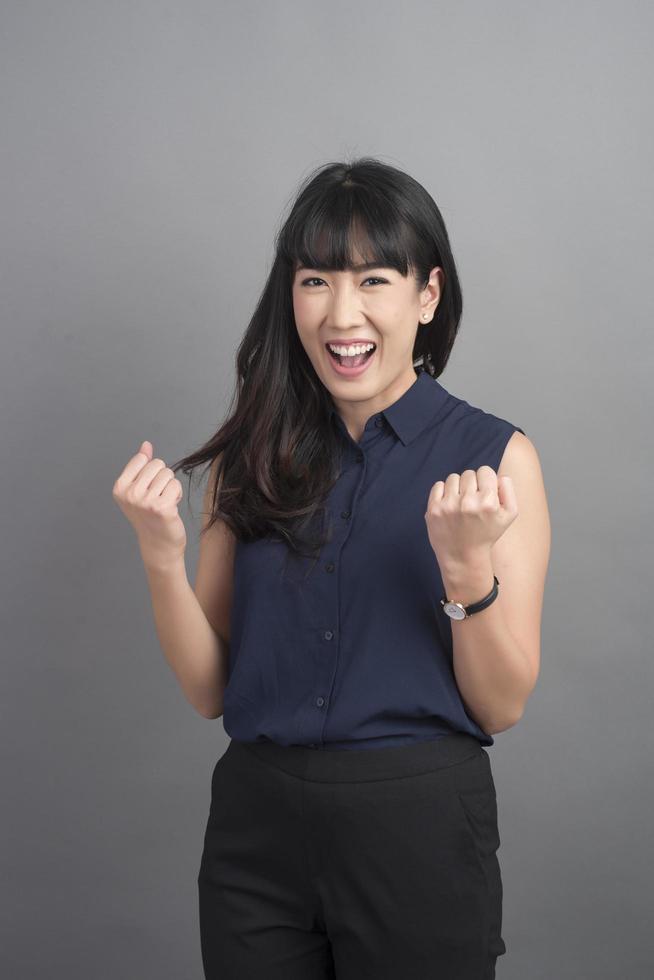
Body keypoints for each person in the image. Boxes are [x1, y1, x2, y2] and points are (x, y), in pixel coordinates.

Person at [112, 157, 550, 979]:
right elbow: (211, 690)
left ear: (427, 296)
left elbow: (503, 703)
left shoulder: (494, 459)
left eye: (374, 280)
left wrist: (464, 570)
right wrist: (160, 558)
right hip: (256, 836)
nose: (341, 314)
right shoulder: (252, 455)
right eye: (315, 280)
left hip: (416, 831)